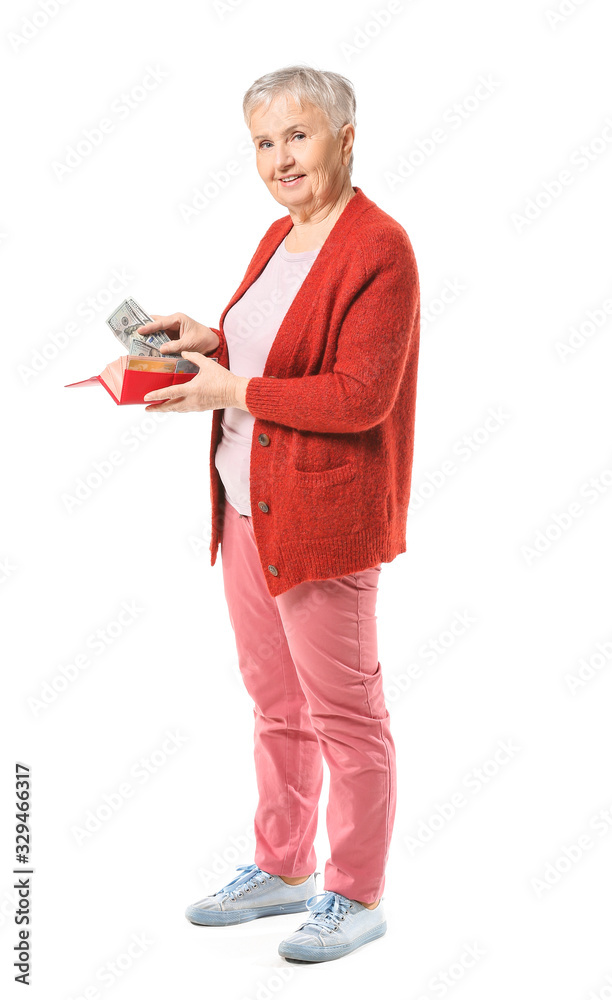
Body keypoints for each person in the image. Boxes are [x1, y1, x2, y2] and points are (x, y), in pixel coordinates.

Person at [138, 64, 420, 963]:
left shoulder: (380, 247)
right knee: (275, 704)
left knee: (346, 713)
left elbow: (358, 396)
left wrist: (234, 387)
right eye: (264, 142)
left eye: (297, 136)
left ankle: (355, 892)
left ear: (344, 137)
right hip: (245, 508)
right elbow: (277, 348)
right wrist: (208, 342)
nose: (279, 158)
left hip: (325, 519)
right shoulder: (278, 234)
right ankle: (283, 867)